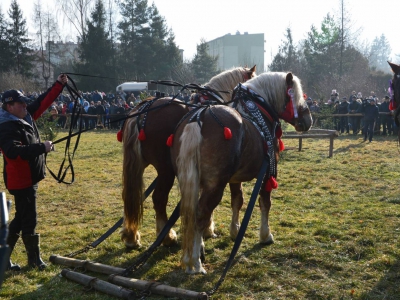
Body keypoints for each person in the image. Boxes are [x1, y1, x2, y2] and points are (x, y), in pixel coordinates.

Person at [0, 74, 68, 271]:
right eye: (20, 104)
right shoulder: (6, 126)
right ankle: (33, 260)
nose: (24, 106)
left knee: (22, 217)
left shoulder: (24, 116)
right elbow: (13, 153)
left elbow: (42, 102)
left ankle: (7, 259)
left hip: (30, 177)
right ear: (9, 106)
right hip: (20, 180)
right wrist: (42, 147)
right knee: (28, 219)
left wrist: (58, 85)